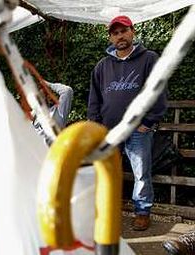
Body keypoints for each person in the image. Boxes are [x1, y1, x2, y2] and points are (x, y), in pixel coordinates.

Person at [87, 15, 167, 231]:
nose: (119, 36)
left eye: (123, 31)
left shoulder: (149, 59)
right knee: (106, 171)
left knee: (141, 173)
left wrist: (149, 121)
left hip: (138, 130)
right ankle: (106, 210)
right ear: (110, 38)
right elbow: (94, 98)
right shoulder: (102, 66)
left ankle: (142, 212)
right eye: (115, 33)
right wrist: (95, 125)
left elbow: (158, 91)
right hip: (110, 131)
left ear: (132, 31)